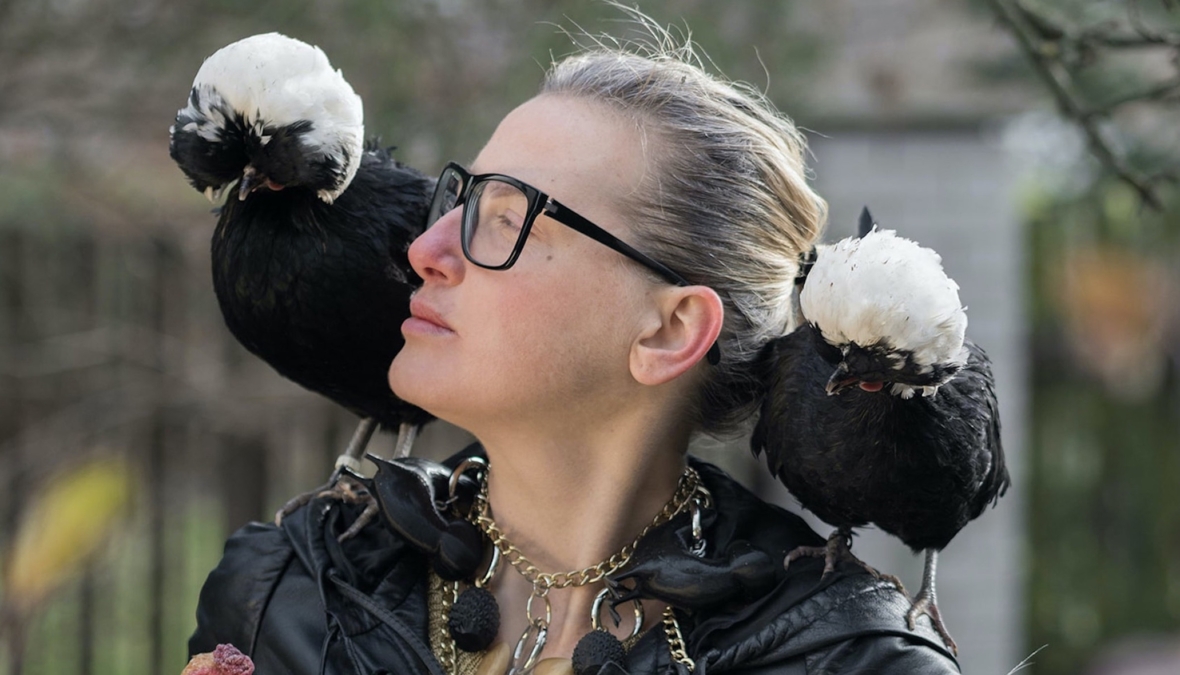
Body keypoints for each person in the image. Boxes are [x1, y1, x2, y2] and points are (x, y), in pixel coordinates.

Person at [190, 14, 962, 675]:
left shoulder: (848, 657)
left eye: (507, 218)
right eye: (459, 199)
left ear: (669, 330)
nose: (425, 249)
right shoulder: (280, 593)